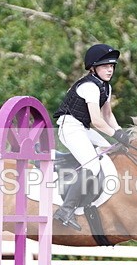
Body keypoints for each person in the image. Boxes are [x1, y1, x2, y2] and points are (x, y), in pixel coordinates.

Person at [52, 43, 131, 231]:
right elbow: (97, 121)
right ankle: (66, 209)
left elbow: (108, 116)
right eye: (105, 66)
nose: (110, 69)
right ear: (93, 68)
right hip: (70, 127)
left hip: (82, 127)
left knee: (108, 151)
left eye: (112, 66)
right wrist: (116, 135)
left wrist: (121, 132)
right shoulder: (89, 86)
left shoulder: (106, 87)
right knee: (92, 165)